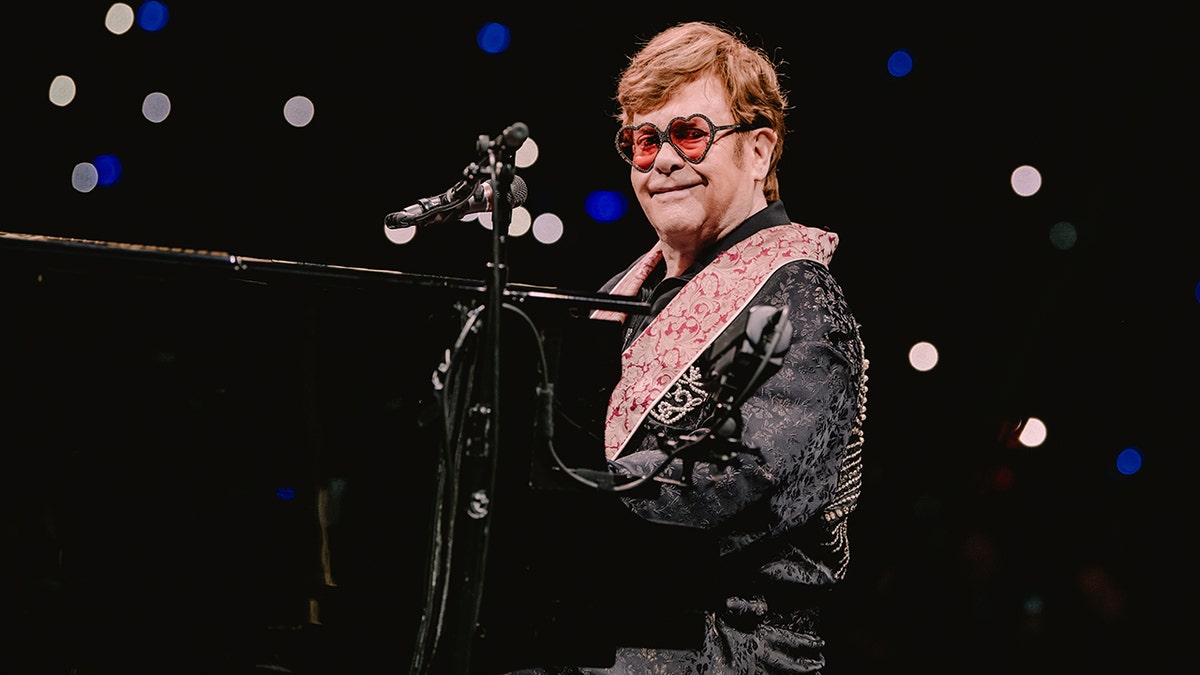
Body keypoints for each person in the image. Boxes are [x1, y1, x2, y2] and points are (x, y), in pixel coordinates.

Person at [513, 20, 869, 675]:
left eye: (690, 133)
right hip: (597, 631)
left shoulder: (793, 300)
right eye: (644, 142)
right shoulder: (620, 295)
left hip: (730, 653)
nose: (664, 160)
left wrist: (548, 507)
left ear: (759, 151)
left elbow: (736, 481)